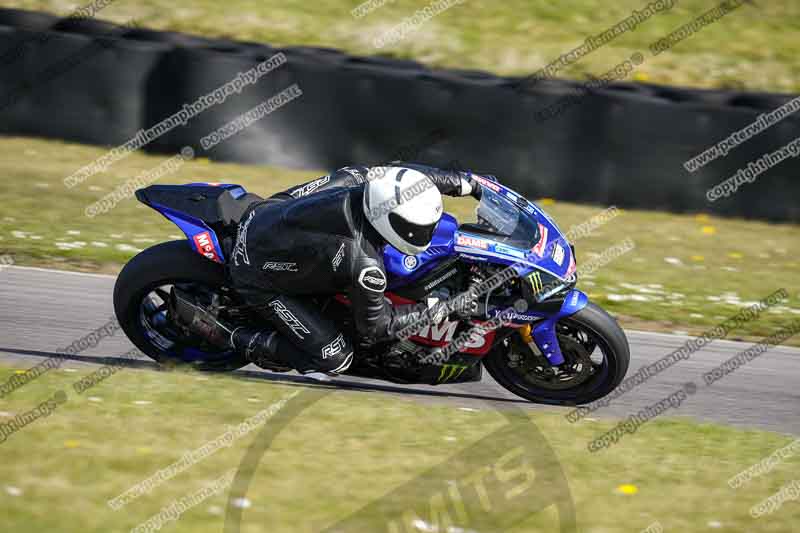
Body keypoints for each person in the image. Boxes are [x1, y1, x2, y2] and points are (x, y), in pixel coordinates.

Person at [172, 163, 482, 374]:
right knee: (335, 358)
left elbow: (406, 176)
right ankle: (221, 330)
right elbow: (376, 328)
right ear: (390, 221)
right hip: (256, 274)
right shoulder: (363, 265)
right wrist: (440, 309)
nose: (426, 234)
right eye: (418, 229)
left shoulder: (362, 179)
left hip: (268, 211)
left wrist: (463, 183)